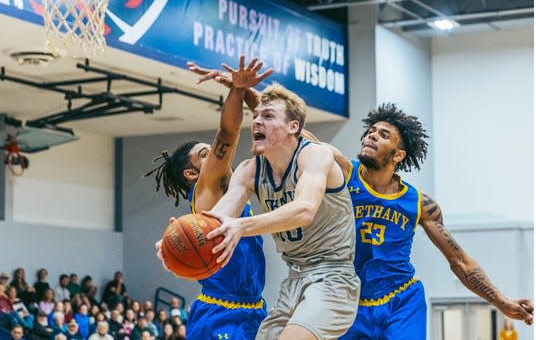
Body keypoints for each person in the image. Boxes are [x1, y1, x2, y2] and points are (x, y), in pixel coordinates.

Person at [317, 103, 533, 339]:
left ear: (398, 155)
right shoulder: (346, 173)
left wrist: (501, 302)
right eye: (371, 131)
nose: (372, 135)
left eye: (383, 134)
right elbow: (303, 140)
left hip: (401, 301)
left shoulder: (419, 203)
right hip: (349, 299)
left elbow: (459, 261)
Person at [190, 80, 359, 340]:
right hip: (294, 280)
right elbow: (219, 219)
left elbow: (304, 210)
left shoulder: (316, 156)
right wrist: (184, 236)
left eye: (268, 116)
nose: (257, 121)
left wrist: (241, 227)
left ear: (294, 127)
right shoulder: (249, 170)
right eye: (256, 116)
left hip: (333, 277)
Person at [148, 56, 271, 340]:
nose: (216, 154)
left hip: (254, 308)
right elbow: (227, 133)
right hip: (220, 314)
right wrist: (237, 89)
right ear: (192, 174)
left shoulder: (234, 190)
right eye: (206, 154)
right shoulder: (208, 188)